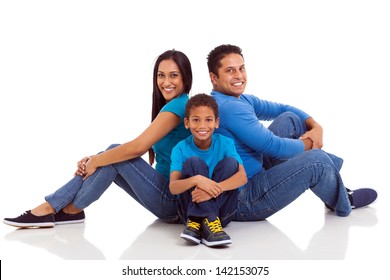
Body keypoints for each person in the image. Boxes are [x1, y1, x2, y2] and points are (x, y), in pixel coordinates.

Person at [4, 49, 193, 228]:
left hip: (172, 200)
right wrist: (96, 158)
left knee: (114, 155)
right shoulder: (173, 106)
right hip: (166, 197)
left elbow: (138, 147)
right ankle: (69, 210)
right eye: (161, 75)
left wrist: (97, 160)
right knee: (112, 155)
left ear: (186, 77)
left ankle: (57, 208)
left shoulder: (178, 106)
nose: (166, 81)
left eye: (173, 75)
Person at [206, 44, 377, 221]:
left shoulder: (239, 99)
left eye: (241, 68)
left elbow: (282, 109)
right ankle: (343, 200)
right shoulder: (229, 108)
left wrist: (316, 127)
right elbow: (274, 146)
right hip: (243, 198)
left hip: (256, 170)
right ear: (214, 78)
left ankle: (332, 183)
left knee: (290, 119)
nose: (239, 75)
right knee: (316, 161)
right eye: (230, 71)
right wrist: (312, 144)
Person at [169, 93, 247, 247]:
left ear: (216, 122)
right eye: (196, 120)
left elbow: (242, 177)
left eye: (208, 120)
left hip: (222, 213)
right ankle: (206, 222)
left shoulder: (225, 143)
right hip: (189, 215)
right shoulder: (180, 148)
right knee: (193, 163)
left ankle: (208, 220)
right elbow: (173, 187)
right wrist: (198, 180)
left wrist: (211, 190)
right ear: (187, 123)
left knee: (231, 163)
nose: (202, 126)